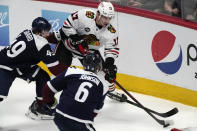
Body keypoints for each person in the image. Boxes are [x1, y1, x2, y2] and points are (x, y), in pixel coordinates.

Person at [46, 1, 126, 101]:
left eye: (110, 18)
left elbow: (112, 48)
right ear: (98, 14)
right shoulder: (84, 15)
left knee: (105, 73)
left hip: (89, 52)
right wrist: (75, 38)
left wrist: (109, 63)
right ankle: (47, 97)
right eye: (105, 17)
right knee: (59, 73)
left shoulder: (111, 31)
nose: (107, 21)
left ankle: (111, 90)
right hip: (68, 47)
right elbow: (67, 25)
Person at [0, 17, 66, 120]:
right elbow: (55, 68)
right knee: (0, 95)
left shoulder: (26, 32)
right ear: (40, 32)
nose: (48, 34)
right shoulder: (41, 44)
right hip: (5, 67)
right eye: (46, 31)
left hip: (20, 65)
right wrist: (70, 74)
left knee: (42, 76)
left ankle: (41, 107)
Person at [41, 53, 108, 131]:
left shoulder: (71, 71)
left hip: (60, 116)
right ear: (99, 67)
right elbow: (94, 112)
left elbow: (47, 89)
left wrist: (49, 104)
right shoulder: (103, 85)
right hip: (80, 123)